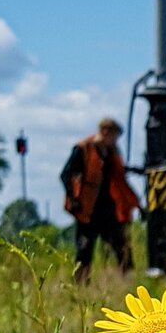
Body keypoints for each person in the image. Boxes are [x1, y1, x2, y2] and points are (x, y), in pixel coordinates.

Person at [60, 117, 141, 282]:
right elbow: (66, 174)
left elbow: (117, 175)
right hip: (87, 209)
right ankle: (80, 286)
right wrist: (73, 198)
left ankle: (128, 281)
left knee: (121, 245)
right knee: (84, 250)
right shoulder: (83, 149)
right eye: (114, 137)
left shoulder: (111, 152)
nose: (115, 141)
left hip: (107, 207)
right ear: (105, 132)